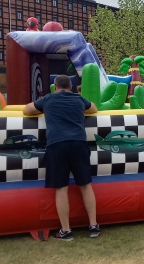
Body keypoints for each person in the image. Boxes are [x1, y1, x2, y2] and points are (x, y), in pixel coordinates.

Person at [22, 75, 99, 241]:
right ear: (70, 86)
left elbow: (27, 110)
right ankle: (93, 226)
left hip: (57, 144)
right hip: (79, 143)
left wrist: (44, 109)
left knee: (61, 189)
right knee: (86, 186)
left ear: (54, 86)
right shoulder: (78, 99)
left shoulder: (48, 99)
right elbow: (94, 108)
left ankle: (66, 230)